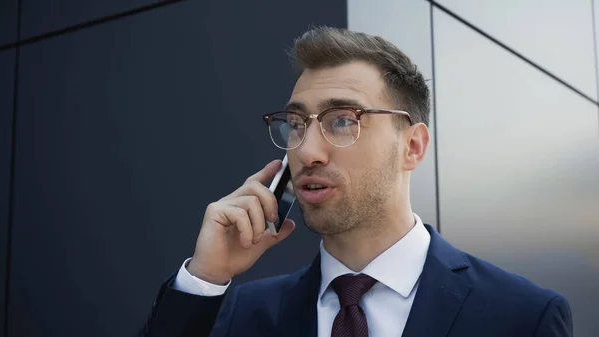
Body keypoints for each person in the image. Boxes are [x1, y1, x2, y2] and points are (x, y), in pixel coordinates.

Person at [138, 27, 573, 337]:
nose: (307, 151)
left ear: (413, 147)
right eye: (295, 123)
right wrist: (205, 278)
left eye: (342, 120)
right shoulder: (242, 315)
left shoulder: (522, 316)